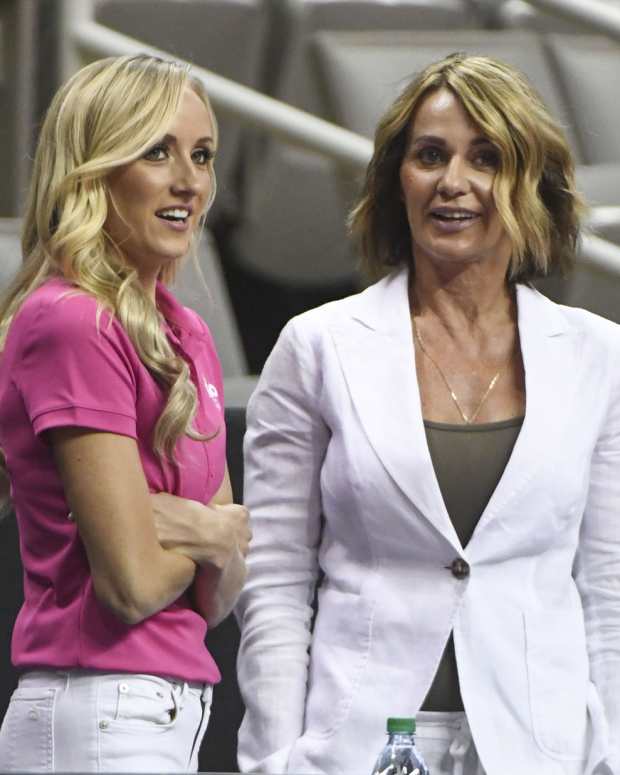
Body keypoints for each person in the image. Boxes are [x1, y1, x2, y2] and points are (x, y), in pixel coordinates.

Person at [235, 53, 619, 775]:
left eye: (487, 158)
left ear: (530, 182)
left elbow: (609, 584)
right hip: (359, 742)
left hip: (541, 746)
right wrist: (275, 757)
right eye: (430, 155)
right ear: (396, 180)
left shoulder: (600, 355)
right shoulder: (318, 346)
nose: (454, 182)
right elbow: (275, 581)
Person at [0, 54, 250, 773]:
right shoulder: (71, 321)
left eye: (201, 155)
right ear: (95, 168)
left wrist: (183, 524)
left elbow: (221, 590)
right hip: (98, 710)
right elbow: (133, 583)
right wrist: (206, 527)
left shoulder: (188, 333)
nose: (189, 181)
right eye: (156, 151)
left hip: (171, 708)